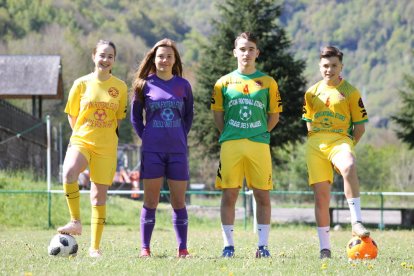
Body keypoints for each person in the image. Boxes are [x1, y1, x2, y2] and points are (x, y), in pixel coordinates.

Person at [211, 32, 283, 258]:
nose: (246, 53)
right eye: (242, 49)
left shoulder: (268, 82)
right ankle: (228, 246)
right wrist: (232, 133)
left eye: (251, 49)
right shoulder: (223, 82)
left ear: (257, 53)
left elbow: (274, 116)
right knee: (229, 195)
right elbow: (218, 115)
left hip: (259, 145)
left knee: (262, 195)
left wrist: (259, 132)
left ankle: (262, 246)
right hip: (231, 144)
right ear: (235, 52)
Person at [57, 40, 128, 258]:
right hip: (82, 140)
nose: (105, 60)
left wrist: (103, 135)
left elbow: (118, 119)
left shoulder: (121, 87)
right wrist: (82, 133)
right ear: (93, 56)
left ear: (114, 60)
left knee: (98, 197)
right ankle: (75, 222)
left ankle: (94, 248)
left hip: (106, 147)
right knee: (69, 172)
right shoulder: (80, 84)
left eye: (110, 56)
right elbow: (72, 115)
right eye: (102, 55)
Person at [302, 46, 370, 259]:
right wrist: (317, 142)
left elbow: (359, 127)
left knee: (348, 164)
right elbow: (308, 123)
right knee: (322, 199)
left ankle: (356, 221)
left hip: (340, 141)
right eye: (325, 66)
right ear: (319, 66)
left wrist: (347, 147)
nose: (329, 70)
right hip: (316, 146)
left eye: (333, 66)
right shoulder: (311, 93)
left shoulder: (350, 92)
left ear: (341, 66)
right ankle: (325, 248)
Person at [130, 38, 194, 258]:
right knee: (151, 201)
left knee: (178, 202)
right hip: (152, 151)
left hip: (177, 151)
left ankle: (182, 249)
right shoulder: (143, 84)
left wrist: (178, 136)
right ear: (153, 59)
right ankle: (145, 248)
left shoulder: (183, 85)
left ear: (174, 60)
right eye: (160, 56)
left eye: (169, 56)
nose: (164, 60)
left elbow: (188, 116)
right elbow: (136, 118)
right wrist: (148, 138)